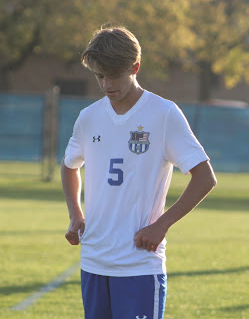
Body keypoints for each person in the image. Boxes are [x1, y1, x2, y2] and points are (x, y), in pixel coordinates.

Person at [61, 26, 217, 318]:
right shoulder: (89, 117)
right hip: (93, 260)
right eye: (99, 76)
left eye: (114, 75)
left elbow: (205, 177)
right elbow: (70, 166)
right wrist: (75, 214)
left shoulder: (164, 113)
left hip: (139, 265)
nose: (107, 84)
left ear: (135, 67)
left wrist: (162, 225)